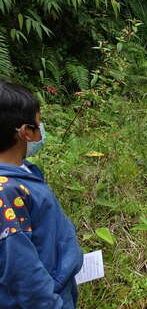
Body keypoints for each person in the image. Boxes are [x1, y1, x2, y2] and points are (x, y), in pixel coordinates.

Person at [0, 80, 83, 308]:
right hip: (48, 297)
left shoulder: (22, 171)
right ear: (26, 132)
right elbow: (23, 273)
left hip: (57, 283)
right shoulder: (6, 192)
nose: (42, 129)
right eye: (39, 123)